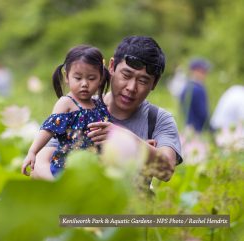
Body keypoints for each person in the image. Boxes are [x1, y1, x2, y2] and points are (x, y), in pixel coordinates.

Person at [31, 36, 183, 182]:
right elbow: (39, 162)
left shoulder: (159, 119)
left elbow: (166, 171)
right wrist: (61, 188)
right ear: (111, 67)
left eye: (143, 81)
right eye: (126, 75)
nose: (131, 87)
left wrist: (126, 140)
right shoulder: (80, 108)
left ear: (154, 84)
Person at [21, 45, 110, 176]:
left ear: (101, 79)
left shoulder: (99, 103)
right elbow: (48, 129)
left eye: (91, 78)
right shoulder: (66, 103)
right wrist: (33, 152)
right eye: (78, 78)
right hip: (66, 168)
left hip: (93, 168)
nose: (84, 84)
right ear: (67, 77)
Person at [179, 58, 211, 133]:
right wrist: (211, 130)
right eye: (203, 71)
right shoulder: (199, 89)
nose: (205, 74)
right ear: (194, 71)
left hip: (187, 129)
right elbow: (203, 114)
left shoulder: (185, 87)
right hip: (198, 131)